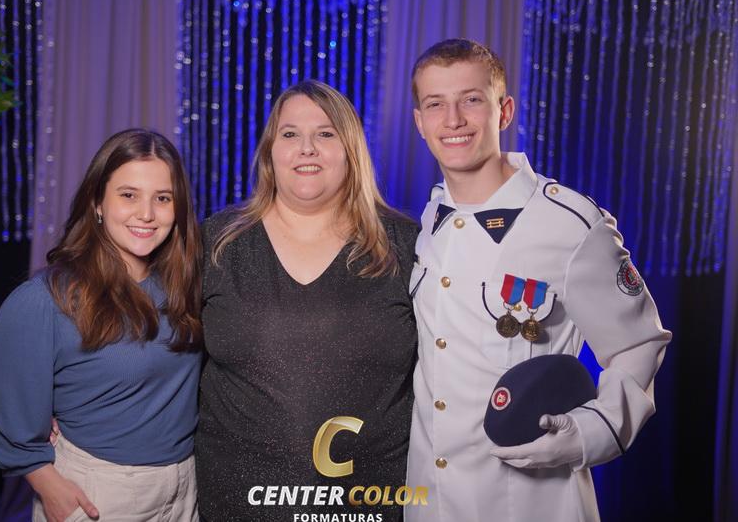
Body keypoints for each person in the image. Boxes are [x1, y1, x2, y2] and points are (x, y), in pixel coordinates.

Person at [404, 39, 672, 522]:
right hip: (430, 501)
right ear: (420, 122)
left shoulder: (569, 222)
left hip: (533, 503)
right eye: (436, 104)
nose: (453, 120)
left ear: (504, 111)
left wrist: (590, 431)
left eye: (471, 100)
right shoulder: (427, 222)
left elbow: (639, 342)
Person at [195, 79, 418, 521]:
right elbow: (154, 344)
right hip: (239, 503)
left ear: (350, 150)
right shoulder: (216, 243)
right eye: (290, 133)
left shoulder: (407, 246)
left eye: (325, 133)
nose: (307, 148)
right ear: (270, 151)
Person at [0, 128, 203, 522]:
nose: (146, 213)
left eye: (162, 198)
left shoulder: (186, 286)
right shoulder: (48, 297)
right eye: (128, 195)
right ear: (97, 202)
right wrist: (43, 477)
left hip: (185, 489)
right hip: (100, 494)